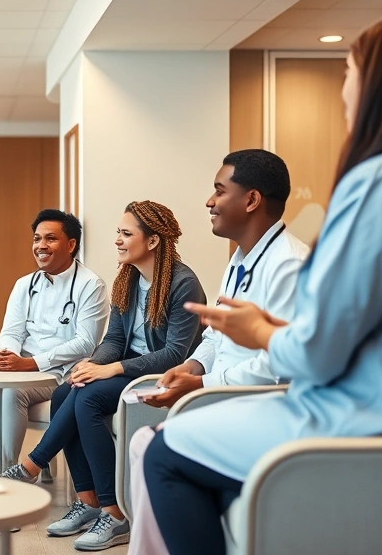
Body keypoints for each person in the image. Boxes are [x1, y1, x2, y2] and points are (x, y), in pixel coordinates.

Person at [145, 12, 382, 555]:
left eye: (349, 72)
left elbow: (316, 354)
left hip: (367, 419)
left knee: (165, 453)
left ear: (381, 83)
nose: (344, 89)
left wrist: (260, 331)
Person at [124, 150, 309, 555]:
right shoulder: (239, 261)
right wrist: (191, 365)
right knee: (141, 443)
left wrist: (202, 384)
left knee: (152, 450)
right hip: (223, 397)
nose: (209, 202)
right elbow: (217, 337)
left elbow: (278, 363)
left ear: (251, 200)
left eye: (219, 190)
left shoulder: (289, 266)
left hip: (255, 401)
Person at [1, 201, 206, 551]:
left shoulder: (182, 284)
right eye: (118, 233)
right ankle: (89, 500)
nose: (118, 241)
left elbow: (175, 353)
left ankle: (113, 512)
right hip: (128, 369)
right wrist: (91, 364)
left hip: (161, 376)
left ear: (153, 241)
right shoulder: (128, 278)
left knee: (89, 399)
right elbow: (113, 339)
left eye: (126, 234)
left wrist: (111, 368)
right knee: (68, 390)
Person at [0, 209, 110, 475]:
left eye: (50, 239)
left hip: (59, 374)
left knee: (14, 391)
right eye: (37, 239)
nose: (40, 246)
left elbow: (85, 342)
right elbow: (11, 332)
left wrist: (30, 363)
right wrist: (8, 358)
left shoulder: (90, 285)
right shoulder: (25, 284)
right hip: (21, 364)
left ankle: (8, 469)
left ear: (71, 245)